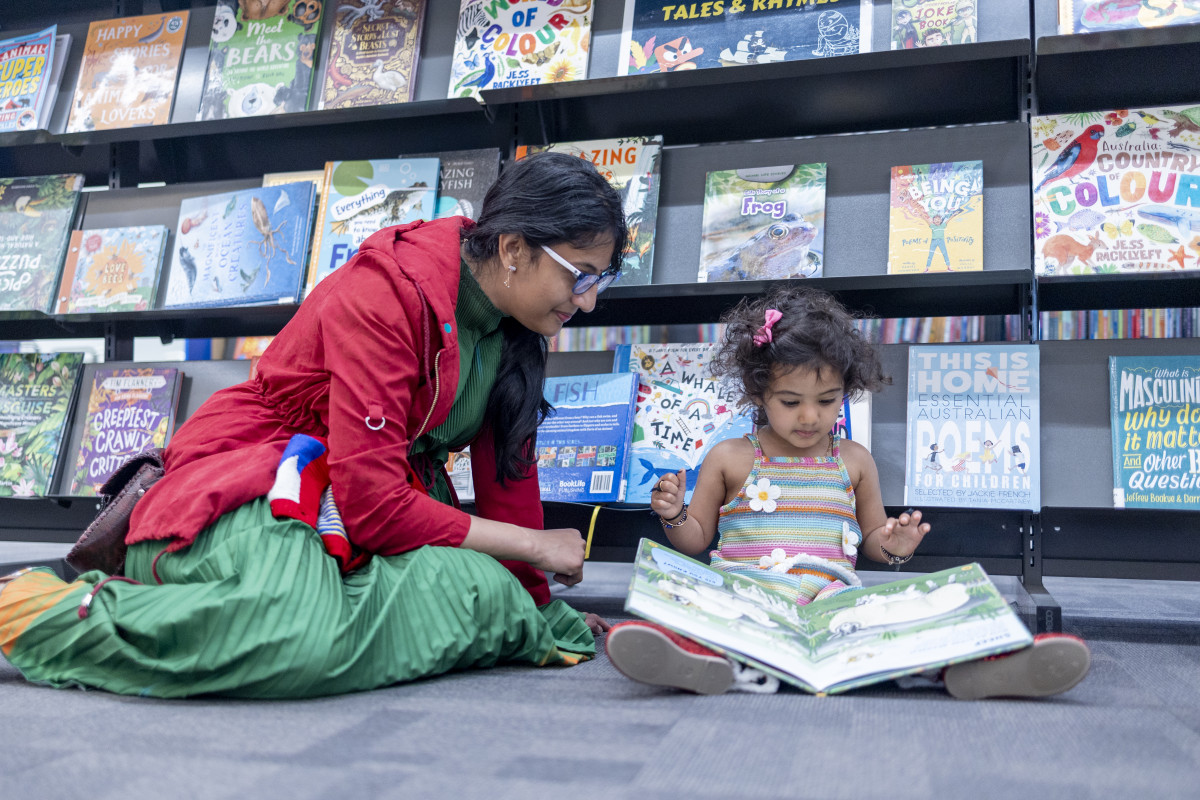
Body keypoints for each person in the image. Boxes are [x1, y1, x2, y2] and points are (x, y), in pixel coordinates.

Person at [0, 152, 626, 698]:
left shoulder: (519, 325)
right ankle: (43, 610)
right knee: (290, 627)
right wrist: (533, 549)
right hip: (262, 480)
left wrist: (535, 605)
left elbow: (505, 484)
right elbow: (377, 505)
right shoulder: (389, 290)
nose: (589, 300)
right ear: (513, 249)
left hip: (359, 507)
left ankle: (280, 618)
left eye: (601, 279)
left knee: (487, 596)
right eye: (580, 276)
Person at [605, 287, 1091, 699]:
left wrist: (895, 545)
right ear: (758, 394)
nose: (810, 417)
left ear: (847, 390)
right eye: (790, 402)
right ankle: (691, 658)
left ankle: (977, 664)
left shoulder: (854, 460)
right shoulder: (730, 457)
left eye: (827, 400)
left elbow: (875, 542)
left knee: (917, 611)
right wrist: (673, 515)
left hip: (834, 606)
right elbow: (697, 541)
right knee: (688, 602)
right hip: (746, 601)